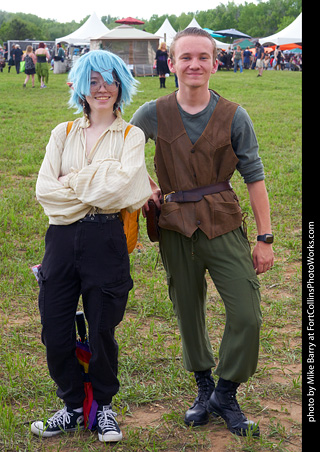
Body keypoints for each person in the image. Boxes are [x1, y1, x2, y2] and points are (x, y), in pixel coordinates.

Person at [131, 27, 274, 437]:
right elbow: (122, 150)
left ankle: (225, 392)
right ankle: (204, 387)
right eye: (185, 57)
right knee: (188, 310)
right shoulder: (152, 112)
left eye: (202, 57)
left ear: (215, 62)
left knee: (246, 313)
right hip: (175, 225)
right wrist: (148, 186)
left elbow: (254, 176)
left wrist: (264, 238)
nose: (194, 65)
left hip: (223, 222)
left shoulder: (234, 115)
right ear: (171, 63)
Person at [31, 50, 151, 442]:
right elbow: (46, 191)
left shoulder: (132, 135)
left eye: (110, 80)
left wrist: (73, 179)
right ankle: (71, 405)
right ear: (81, 87)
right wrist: (95, 181)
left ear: (121, 86)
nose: (102, 89)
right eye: (94, 81)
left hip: (106, 239)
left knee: (101, 329)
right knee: (54, 327)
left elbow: (122, 189)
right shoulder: (61, 133)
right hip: (62, 239)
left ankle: (103, 408)